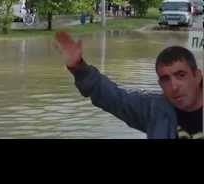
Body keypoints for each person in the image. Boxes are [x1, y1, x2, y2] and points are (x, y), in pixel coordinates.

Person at [55, 31, 202, 139]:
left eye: (181, 75)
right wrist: (78, 67)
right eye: (165, 79)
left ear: (197, 75)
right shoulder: (155, 109)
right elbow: (115, 99)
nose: (174, 86)